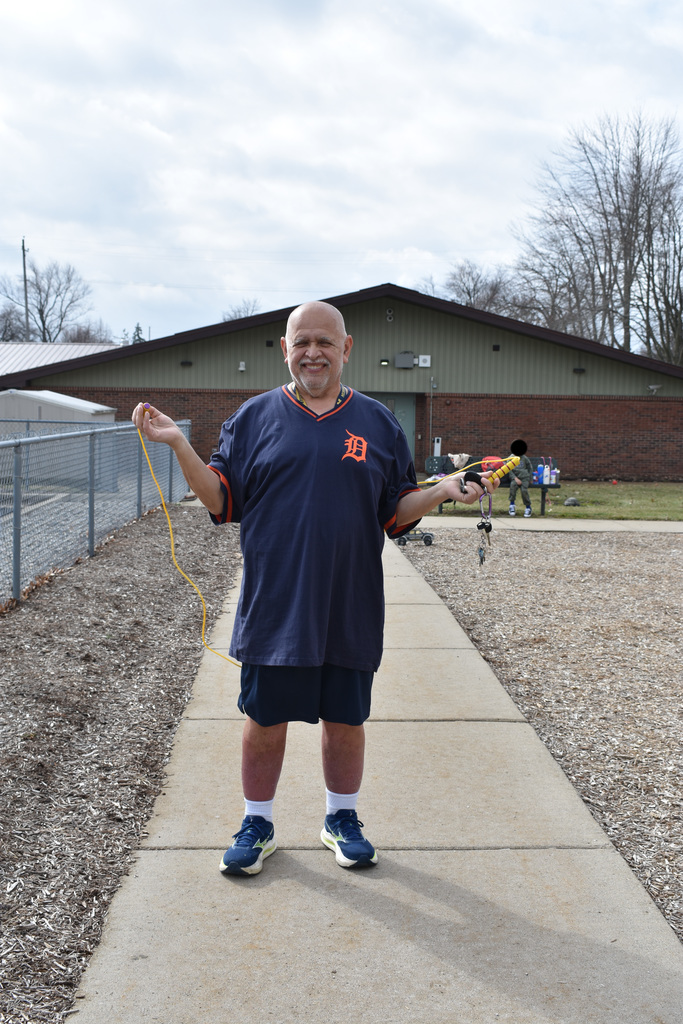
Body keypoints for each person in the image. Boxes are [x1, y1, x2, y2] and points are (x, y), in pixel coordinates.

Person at [132, 301, 497, 877]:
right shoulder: (254, 418)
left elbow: (395, 512)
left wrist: (443, 491)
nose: (313, 352)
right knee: (264, 718)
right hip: (276, 603)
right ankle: (257, 822)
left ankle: (341, 818)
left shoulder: (378, 422)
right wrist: (180, 445)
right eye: (302, 341)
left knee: (346, 720)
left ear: (346, 349)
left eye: (326, 342)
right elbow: (222, 500)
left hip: (350, 601)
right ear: (285, 349)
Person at [508, 451, 534, 518]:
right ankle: (512, 505)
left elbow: (529, 468)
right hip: (515, 478)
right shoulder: (510, 458)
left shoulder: (524, 458)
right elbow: (509, 470)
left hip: (524, 478)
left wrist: (530, 478)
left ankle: (528, 507)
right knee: (513, 487)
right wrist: (515, 478)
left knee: (524, 491)